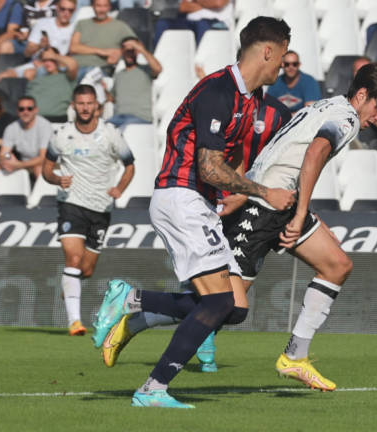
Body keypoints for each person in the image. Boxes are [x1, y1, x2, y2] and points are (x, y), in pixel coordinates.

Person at [90, 16, 295, 409]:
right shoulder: (219, 91)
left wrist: (226, 197)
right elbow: (209, 167)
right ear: (267, 51)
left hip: (196, 200)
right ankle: (153, 388)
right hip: (179, 195)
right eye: (282, 56)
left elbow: (225, 164)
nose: (282, 66)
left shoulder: (248, 99)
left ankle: (133, 300)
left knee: (232, 309)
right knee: (217, 304)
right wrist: (263, 192)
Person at [218, 62, 377, 390]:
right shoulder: (346, 119)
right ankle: (138, 304)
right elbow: (314, 153)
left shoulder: (324, 106)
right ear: (361, 95)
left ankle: (295, 356)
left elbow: (294, 155)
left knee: (337, 265)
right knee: (221, 308)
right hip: (264, 207)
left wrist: (308, 215)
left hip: (280, 203)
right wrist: (302, 214)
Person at [99, 93, 292, 372]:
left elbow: (277, 164)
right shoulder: (223, 101)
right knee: (221, 302)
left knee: (230, 307)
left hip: (254, 207)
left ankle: (136, 314)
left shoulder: (278, 114)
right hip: (212, 205)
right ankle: (159, 378)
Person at [41, 84, 134, 336]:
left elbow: (129, 166)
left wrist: (120, 189)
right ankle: (74, 321)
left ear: (97, 106)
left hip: (101, 208)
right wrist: (56, 179)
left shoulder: (111, 134)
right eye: (80, 103)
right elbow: (46, 169)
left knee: (86, 270)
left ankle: (69, 283)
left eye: (89, 103)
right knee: (72, 259)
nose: (84, 108)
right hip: (71, 203)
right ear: (74, 105)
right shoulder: (61, 134)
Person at [0, 0, 77, 82]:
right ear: (56, 7)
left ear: (75, 10)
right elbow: (27, 53)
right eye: (63, 9)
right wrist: (40, 46)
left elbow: (71, 60)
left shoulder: (75, 29)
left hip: (58, 66)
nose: (66, 13)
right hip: (36, 62)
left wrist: (51, 58)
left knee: (29, 73)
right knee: (3, 76)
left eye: (70, 10)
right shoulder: (42, 23)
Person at [105, 36, 162, 129]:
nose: (129, 54)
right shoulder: (119, 75)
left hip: (140, 118)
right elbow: (111, 98)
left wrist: (139, 48)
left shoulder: (145, 70)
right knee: (102, 129)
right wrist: (103, 90)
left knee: (124, 129)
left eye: (132, 50)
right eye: (126, 51)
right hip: (118, 118)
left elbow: (158, 69)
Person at [69, 0, 135, 77]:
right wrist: (101, 51)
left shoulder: (120, 26)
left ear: (109, 7)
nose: (102, 10)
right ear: (92, 7)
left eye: (105, 6)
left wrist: (120, 53)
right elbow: (73, 48)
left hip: (98, 69)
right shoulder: (82, 23)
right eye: (98, 6)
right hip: (74, 67)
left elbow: (135, 46)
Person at [0, 96, 54, 179]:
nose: (25, 112)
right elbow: (3, 154)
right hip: (21, 164)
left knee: (39, 169)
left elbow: (43, 158)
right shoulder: (11, 128)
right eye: (21, 109)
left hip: (45, 164)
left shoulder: (44, 126)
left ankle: (43, 192)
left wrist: (18, 165)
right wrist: (8, 158)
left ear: (36, 110)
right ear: (17, 111)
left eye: (29, 108)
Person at [26, 47, 78, 122]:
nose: (47, 63)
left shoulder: (67, 77)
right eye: (45, 60)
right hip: (34, 120)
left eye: (51, 60)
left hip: (56, 120)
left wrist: (54, 56)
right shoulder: (37, 78)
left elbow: (73, 65)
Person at [153, 0, 233, 47]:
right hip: (190, 22)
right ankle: (159, 63)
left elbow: (218, 3)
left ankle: (199, 64)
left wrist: (195, 2)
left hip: (217, 23)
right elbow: (183, 7)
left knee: (202, 25)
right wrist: (206, 3)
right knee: (163, 23)